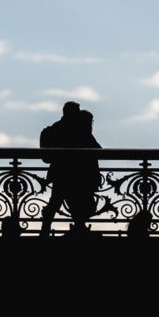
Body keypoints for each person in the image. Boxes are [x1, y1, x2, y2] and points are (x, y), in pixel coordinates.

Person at [37, 101, 102, 236]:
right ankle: (79, 229)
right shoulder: (79, 130)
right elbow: (98, 149)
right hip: (79, 173)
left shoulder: (55, 129)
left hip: (60, 173)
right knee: (77, 202)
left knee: (55, 202)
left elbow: (46, 157)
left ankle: (45, 231)